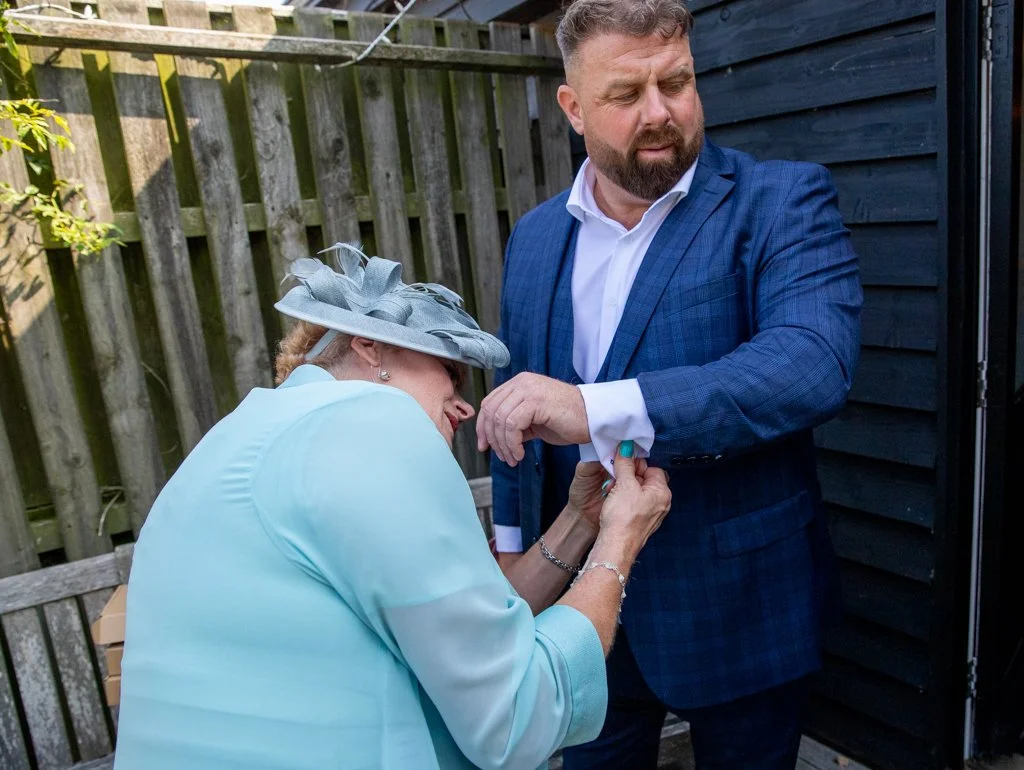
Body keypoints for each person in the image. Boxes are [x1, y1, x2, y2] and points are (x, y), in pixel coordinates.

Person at [476, 1, 863, 768]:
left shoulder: (780, 202)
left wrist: (590, 407)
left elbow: (810, 363)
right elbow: (513, 400)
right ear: (574, 108)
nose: (660, 112)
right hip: (586, 608)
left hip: (742, 604)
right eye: (626, 94)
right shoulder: (535, 236)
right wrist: (514, 552)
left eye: (676, 82)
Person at [112, 244, 672, 770]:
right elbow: (515, 716)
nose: (464, 404)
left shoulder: (234, 436)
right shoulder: (373, 424)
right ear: (369, 345)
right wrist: (621, 541)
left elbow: (468, 638)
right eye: (448, 371)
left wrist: (582, 521)